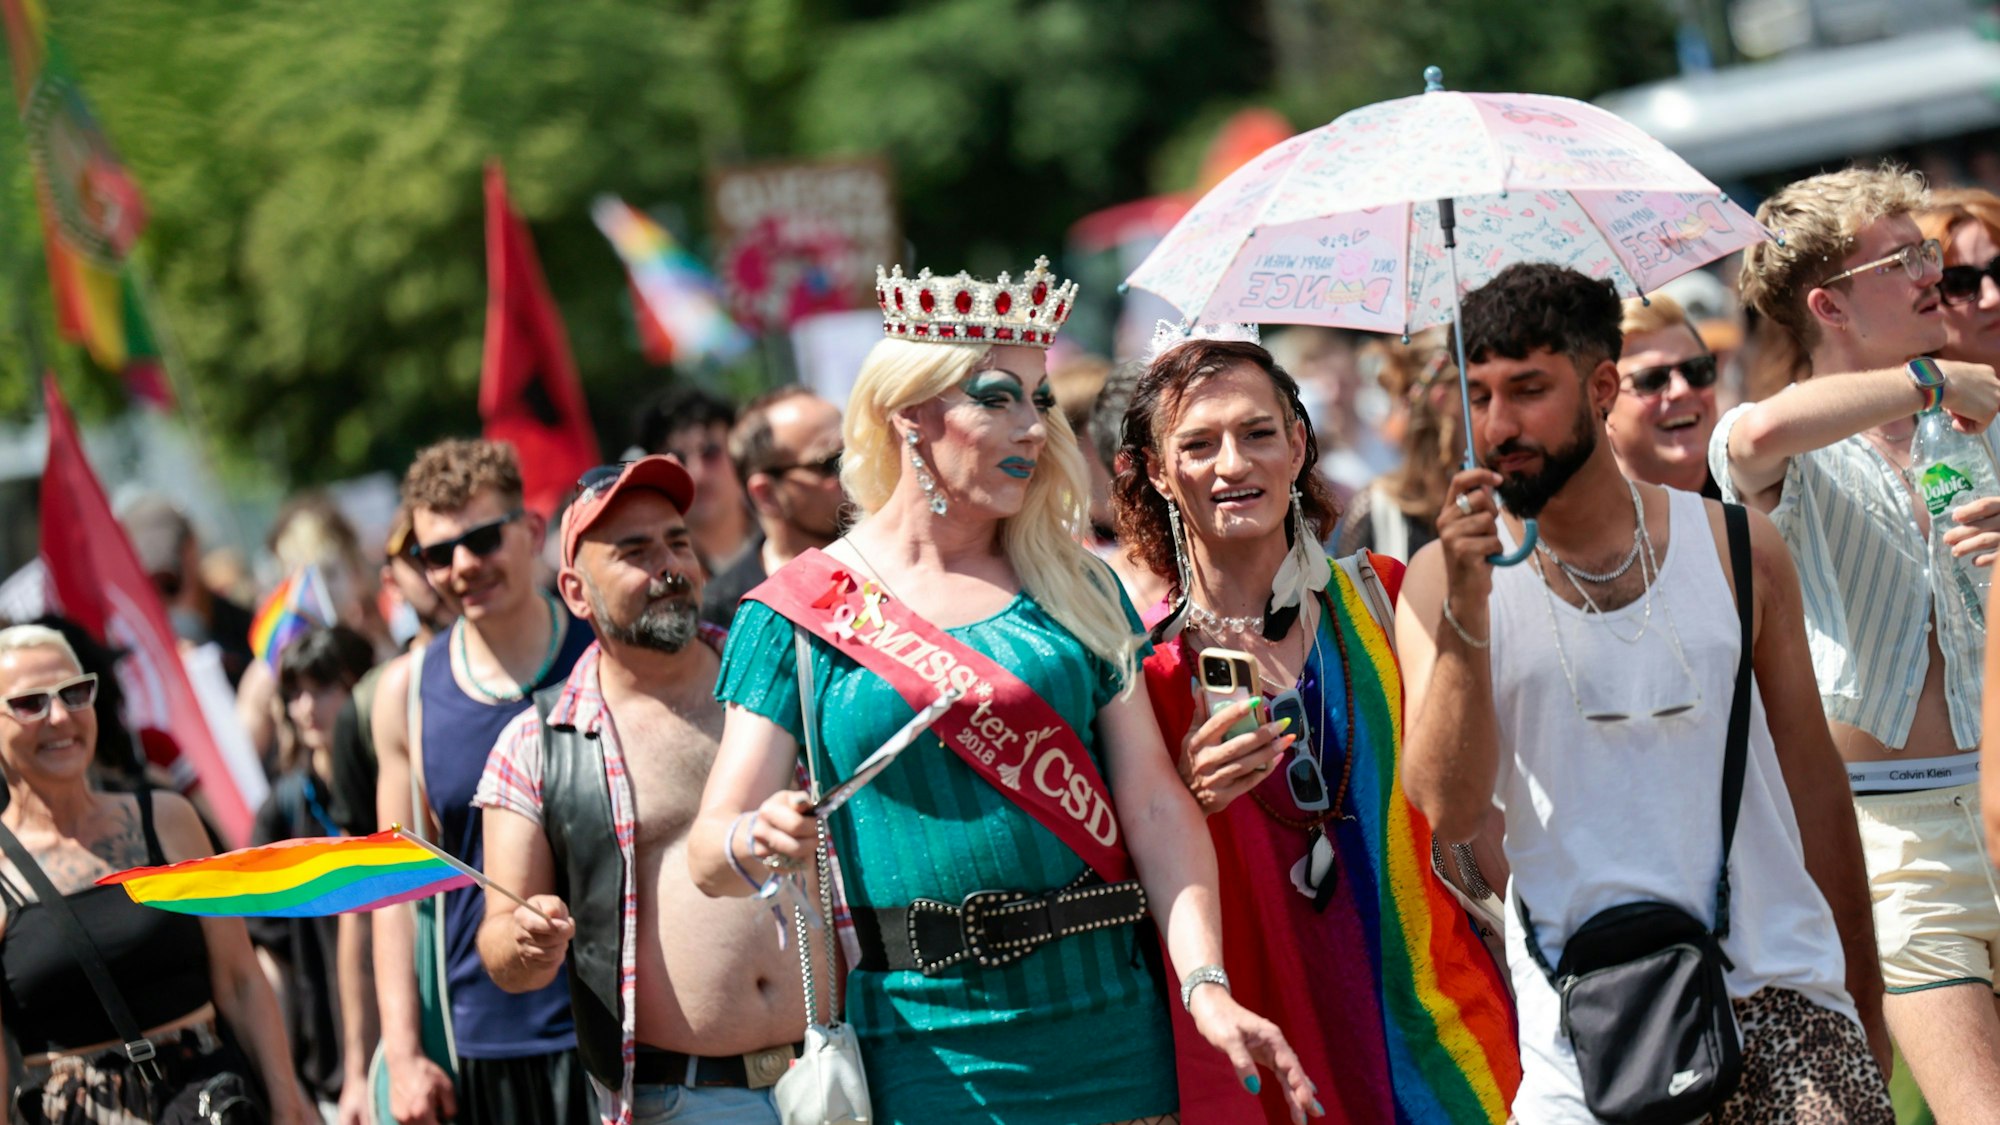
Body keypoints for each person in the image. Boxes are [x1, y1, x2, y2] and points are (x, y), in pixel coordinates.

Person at [689, 258, 1321, 1125]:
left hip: (1114, 1030)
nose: (1032, 428)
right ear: (909, 413)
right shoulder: (799, 613)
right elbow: (707, 853)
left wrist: (1205, 984)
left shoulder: (1076, 587)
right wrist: (754, 835)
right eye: (997, 397)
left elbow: (1153, 804)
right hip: (927, 1052)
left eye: (1041, 401)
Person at [1403, 263, 1892, 1121]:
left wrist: (1864, 996)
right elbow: (1447, 805)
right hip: (1592, 1034)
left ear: (1599, 388)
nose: (1498, 424)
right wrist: (1468, 612)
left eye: (1527, 389)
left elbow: (1814, 784)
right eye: (1480, 393)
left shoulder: (1741, 545)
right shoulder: (1441, 578)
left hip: (1786, 1003)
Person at [1110, 330, 1519, 1124]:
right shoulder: (1140, 673)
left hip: (1452, 1045)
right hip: (1273, 1060)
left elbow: (1483, 811)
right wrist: (1193, 797)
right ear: (1159, 471)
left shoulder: (1388, 599)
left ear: (1298, 445)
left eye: (1258, 433)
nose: (1234, 464)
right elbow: (1132, 878)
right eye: (1199, 443)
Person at [1725, 165, 2000, 1120]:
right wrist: (1932, 378)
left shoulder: (1973, 419)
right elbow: (1757, 434)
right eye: (1906, 258)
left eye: (1930, 252)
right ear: (1829, 303)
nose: (1934, 273)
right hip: (1893, 840)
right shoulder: (1783, 439)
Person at [476, 456, 809, 1125]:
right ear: (575, 590)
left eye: (678, 541)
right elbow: (500, 946)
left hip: (844, 1066)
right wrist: (527, 939)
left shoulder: (782, 676)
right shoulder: (537, 743)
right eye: (634, 551)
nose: (670, 565)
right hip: (687, 1101)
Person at [0, 623, 312, 1124]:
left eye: (74, 693)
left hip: (209, 1103)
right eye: (29, 703)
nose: (59, 717)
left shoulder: (167, 819)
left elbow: (240, 979)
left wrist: (289, 1101)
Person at [371, 440, 595, 1125]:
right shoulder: (405, 692)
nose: (464, 565)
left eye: (482, 538)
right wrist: (404, 1055)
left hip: (633, 1016)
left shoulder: (602, 645)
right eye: (438, 554)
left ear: (530, 532)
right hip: (490, 1040)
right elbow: (392, 886)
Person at [250, 625, 376, 1122]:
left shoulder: (399, 790)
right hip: (328, 1065)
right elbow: (270, 955)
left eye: (324, 687)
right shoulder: (281, 812)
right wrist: (282, 1078)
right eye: (295, 692)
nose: (306, 707)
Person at [701, 387, 848, 628]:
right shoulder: (725, 612)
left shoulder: (896, 559)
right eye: (832, 463)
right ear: (767, 494)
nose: (854, 471)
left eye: (857, 452)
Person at [1330, 331, 1457, 561]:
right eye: (1481, 397)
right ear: (1442, 401)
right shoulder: (1378, 510)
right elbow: (1346, 595)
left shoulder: (1497, 497)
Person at [119, 495, 256, 686]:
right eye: (150, 588)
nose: (163, 600)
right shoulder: (142, 663)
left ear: (192, 548)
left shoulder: (248, 628)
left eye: (169, 583)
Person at [636, 385, 757, 575]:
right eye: (677, 459)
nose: (696, 474)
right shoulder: (659, 576)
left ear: (739, 454)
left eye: (710, 452)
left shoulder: (790, 535)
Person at [1608, 294, 1721, 497]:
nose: (1682, 390)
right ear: (1602, 404)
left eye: (1696, 370)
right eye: (1651, 380)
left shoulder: (1761, 504)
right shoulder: (1567, 523)